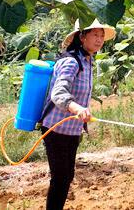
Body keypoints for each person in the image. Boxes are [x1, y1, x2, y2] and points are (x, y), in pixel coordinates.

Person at [39, 18, 115, 210]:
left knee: (66, 177)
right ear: (82, 37)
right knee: (60, 178)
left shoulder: (87, 61)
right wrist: (77, 108)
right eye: (94, 35)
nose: (99, 40)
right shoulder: (71, 62)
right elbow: (58, 93)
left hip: (72, 131)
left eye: (101, 36)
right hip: (56, 129)